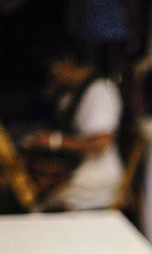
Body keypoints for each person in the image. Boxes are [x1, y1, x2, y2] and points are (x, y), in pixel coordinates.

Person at [26, 47, 123, 210]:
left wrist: (54, 141)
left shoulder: (99, 92)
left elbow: (99, 143)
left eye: (55, 68)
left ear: (69, 62)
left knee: (38, 207)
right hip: (74, 171)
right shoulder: (68, 94)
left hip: (95, 176)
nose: (52, 75)